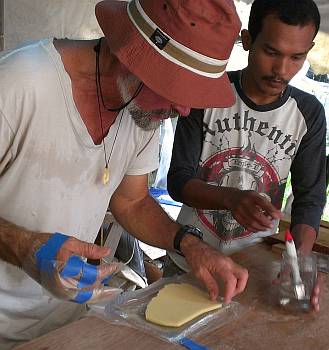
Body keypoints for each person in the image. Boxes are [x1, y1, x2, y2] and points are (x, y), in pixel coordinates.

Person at [0, 0, 245, 347]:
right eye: (177, 89)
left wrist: (191, 245)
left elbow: (131, 202)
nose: (183, 108)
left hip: (66, 322)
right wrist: (23, 245)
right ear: (133, 55)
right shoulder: (18, 83)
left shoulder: (143, 109)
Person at [167, 0, 326, 312]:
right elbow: (178, 180)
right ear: (248, 40)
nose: (282, 70)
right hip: (193, 259)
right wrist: (231, 199)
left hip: (256, 263)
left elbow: (310, 196)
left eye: (296, 57)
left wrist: (299, 265)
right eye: (271, 52)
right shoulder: (206, 92)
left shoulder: (308, 113)